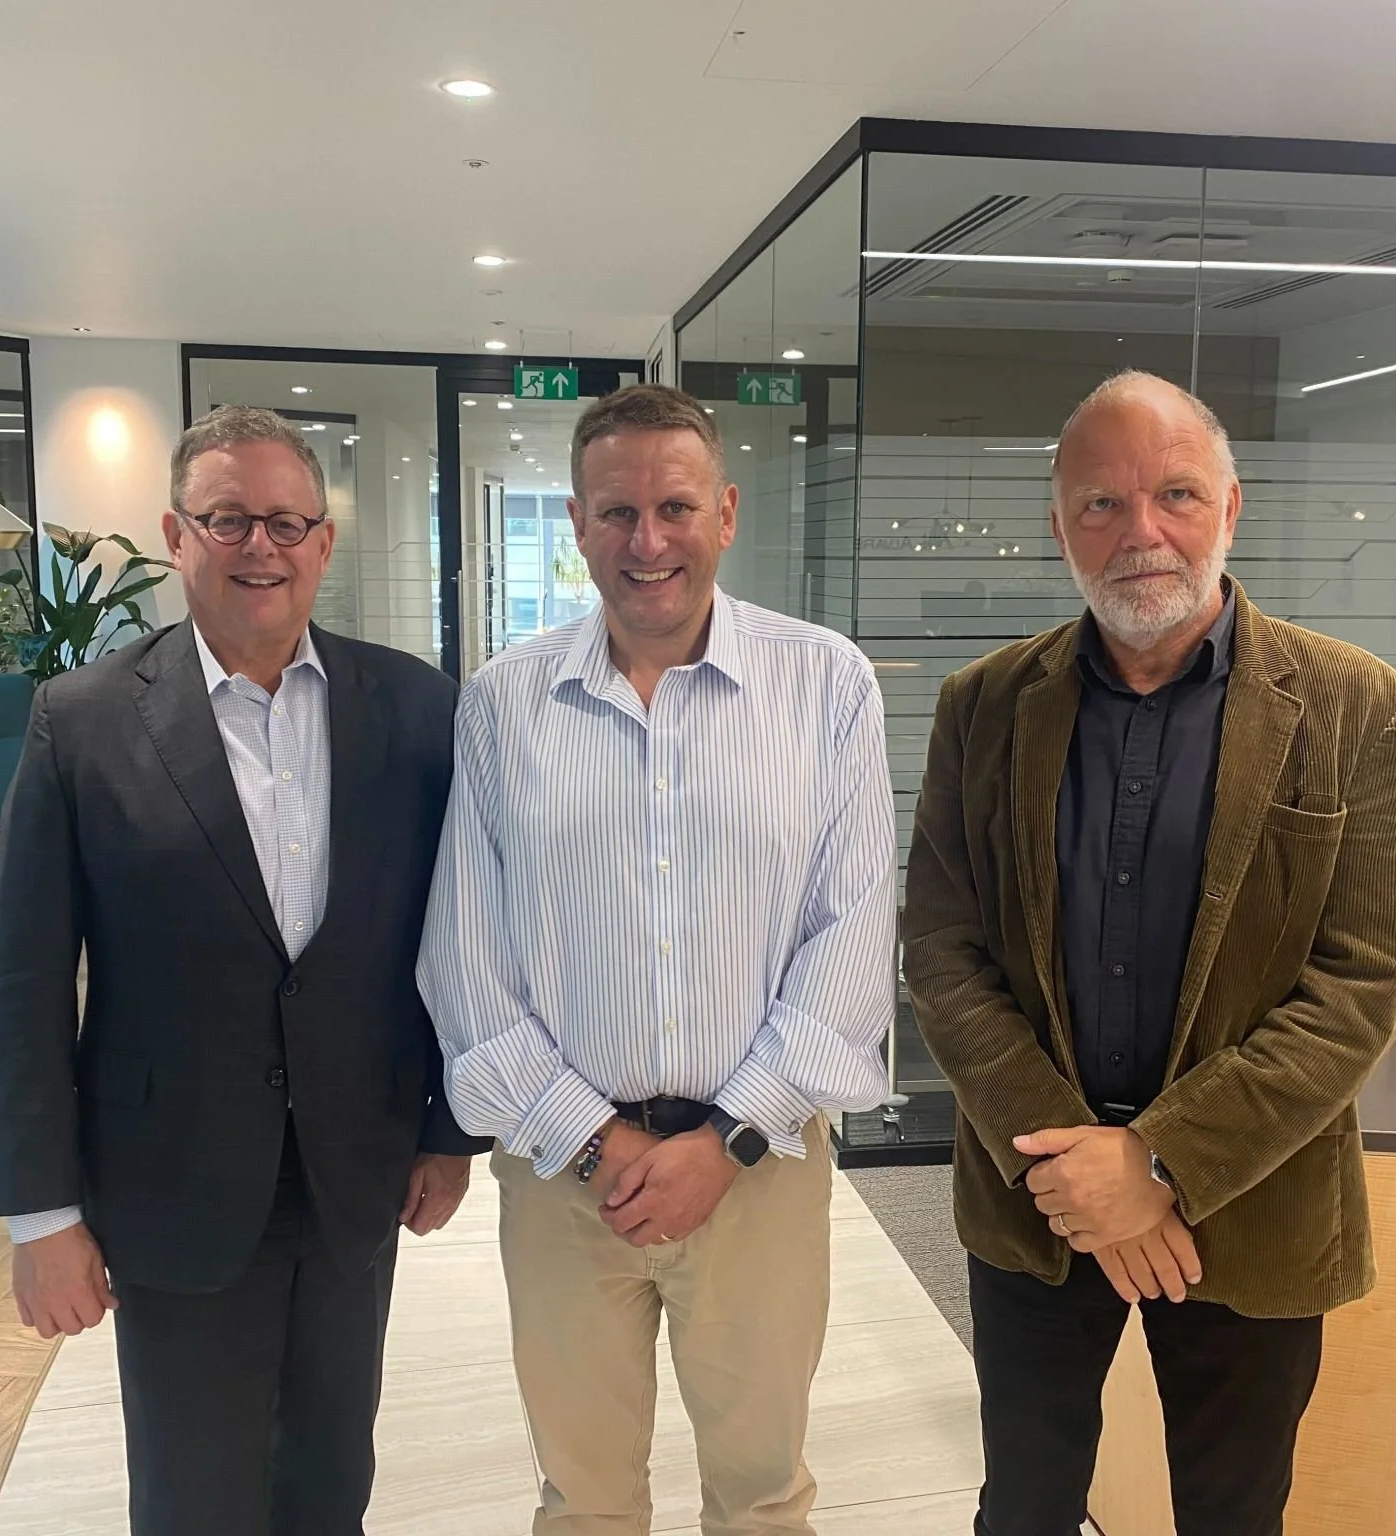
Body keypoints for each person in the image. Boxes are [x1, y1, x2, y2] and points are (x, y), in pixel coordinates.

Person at [904, 371, 1396, 1536]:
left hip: (1250, 1210)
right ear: (1057, 527)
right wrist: (1075, 1167)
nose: (1139, 531)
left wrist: (1156, 1163)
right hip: (1035, 1203)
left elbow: (1355, 989)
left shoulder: (1358, 709)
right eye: (1099, 504)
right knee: (1025, 1509)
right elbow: (940, 950)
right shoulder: (981, 706)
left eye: (1174, 494)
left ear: (1229, 507)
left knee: (1233, 1516)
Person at [0, 405, 485, 1536]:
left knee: (327, 1480)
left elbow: (461, 939)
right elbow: (18, 982)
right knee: (192, 1492)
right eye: (227, 520)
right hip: (171, 1183)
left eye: (285, 521)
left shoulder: (415, 707)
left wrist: (449, 1132)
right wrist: (40, 1215)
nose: (261, 546)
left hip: (356, 1171)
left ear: (323, 542)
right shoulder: (83, 721)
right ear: (176, 533)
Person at [417, 383, 895, 1536]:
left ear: (723, 512)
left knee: (762, 1493)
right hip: (560, 1180)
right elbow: (462, 961)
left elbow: (854, 935)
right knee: (581, 1497)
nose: (648, 541)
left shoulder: (826, 686)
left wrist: (725, 1142)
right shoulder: (502, 704)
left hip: (760, 1173)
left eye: (674, 506)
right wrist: (597, 1141)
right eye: (615, 512)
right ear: (576, 523)